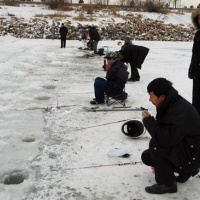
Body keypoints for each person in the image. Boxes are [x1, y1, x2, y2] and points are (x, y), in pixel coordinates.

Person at [141, 78, 200, 194]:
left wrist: (148, 122)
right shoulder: (171, 103)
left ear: (162, 96)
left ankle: (167, 184)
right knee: (148, 156)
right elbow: (167, 130)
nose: (149, 99)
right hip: (188, 149)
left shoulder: (179, 111)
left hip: (193, 154)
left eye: (152, 96)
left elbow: (165, 139)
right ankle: (185, 171)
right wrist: (151, 120)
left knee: (155, 145)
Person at [188, 9, 200, 116]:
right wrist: (191, 69)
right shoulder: (198, 34)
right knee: (196, 98)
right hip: (197, 72)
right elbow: (195, 54)